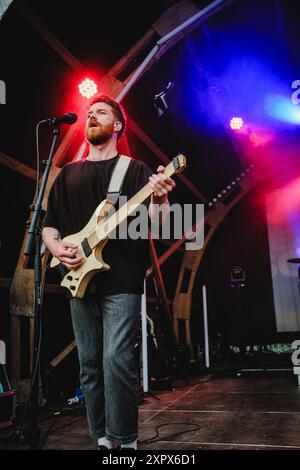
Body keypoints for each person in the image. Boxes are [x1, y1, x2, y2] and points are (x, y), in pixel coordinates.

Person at [42, 94, 175, 450]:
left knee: (116, 359)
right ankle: (102, 439)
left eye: (101, 112)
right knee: (89, 364)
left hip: (122, 277)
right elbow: (50, 226)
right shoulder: (68, 173)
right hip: (78, 279)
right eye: (89, 113)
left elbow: (162, 227)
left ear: (117, 125)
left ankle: (124, 441)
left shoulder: (135, 170)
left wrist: (161, 198)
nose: (91, 116)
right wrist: (56, 248)